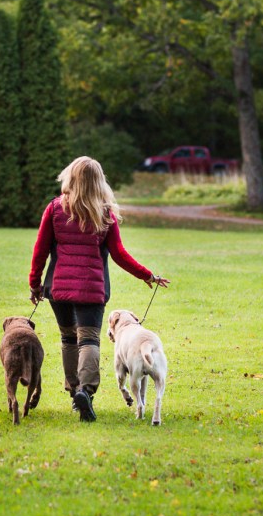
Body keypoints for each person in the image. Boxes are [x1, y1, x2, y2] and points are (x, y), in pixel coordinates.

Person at [29, 156, 169, 422]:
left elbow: (41, 250)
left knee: (69, 339)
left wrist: (35, 284)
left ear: (69, 178)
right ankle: (86, 391)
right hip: (92, 290)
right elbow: (119, 254)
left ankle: (74, 393)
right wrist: (147, 275)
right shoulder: (104, 214)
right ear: (99, 183)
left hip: (58, 288)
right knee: (89, 340)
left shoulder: (55, 209)